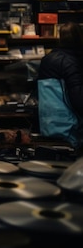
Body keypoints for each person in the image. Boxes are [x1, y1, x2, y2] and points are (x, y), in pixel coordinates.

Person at [37, 21, 83, 153]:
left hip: (49, 126)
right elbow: (78, 100)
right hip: (71, 130)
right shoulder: (70, 62)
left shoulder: (47, 59)